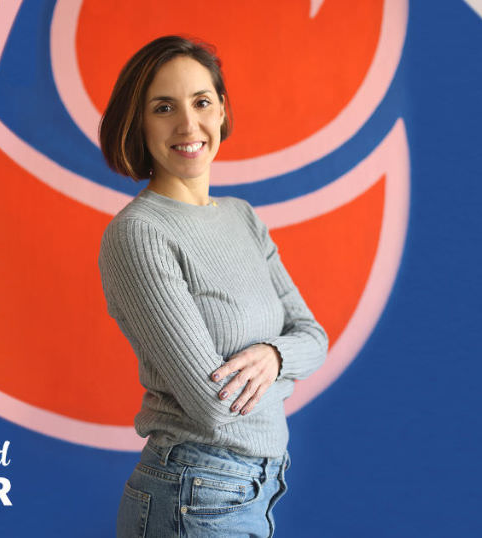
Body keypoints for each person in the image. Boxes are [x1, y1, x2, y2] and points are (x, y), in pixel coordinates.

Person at [97, 35, 328, 537]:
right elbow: (214, 406)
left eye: (201, 102)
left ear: (222, 109)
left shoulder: (242, 217)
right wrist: (290, 369)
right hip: (193, 492)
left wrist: (272, 357)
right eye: (164, 108)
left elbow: (315, 337)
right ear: (139, 123)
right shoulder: (140, 233)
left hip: (257, 487)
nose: (188, 125)